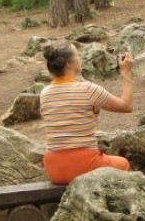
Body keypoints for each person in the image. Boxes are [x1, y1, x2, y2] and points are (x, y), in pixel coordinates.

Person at [40, 40, 134, 185]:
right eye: (78, 55)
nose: (81, 58)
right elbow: (126, 106)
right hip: (82, 164)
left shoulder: (44, 93)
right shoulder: (88, 90)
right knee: (123, 164)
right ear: (68, 64)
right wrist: (126, 71)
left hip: (53, 167)